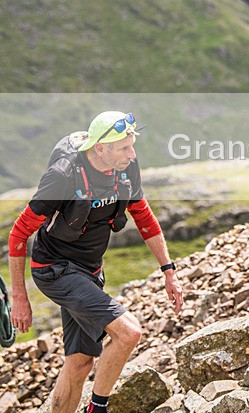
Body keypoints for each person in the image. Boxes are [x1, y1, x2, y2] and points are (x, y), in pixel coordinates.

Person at [7, 111, 184, 413]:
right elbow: (19, 234)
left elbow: (143, 217)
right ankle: (97, 409)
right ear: (100, 148)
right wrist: (20, 298)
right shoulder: (63, 176)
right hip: (54, 270)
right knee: (129, 332)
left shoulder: (126, 170)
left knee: (79, 363)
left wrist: (169, 271)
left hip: (90, 272)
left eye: (132, 146)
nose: (132, 155)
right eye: (124, 148)